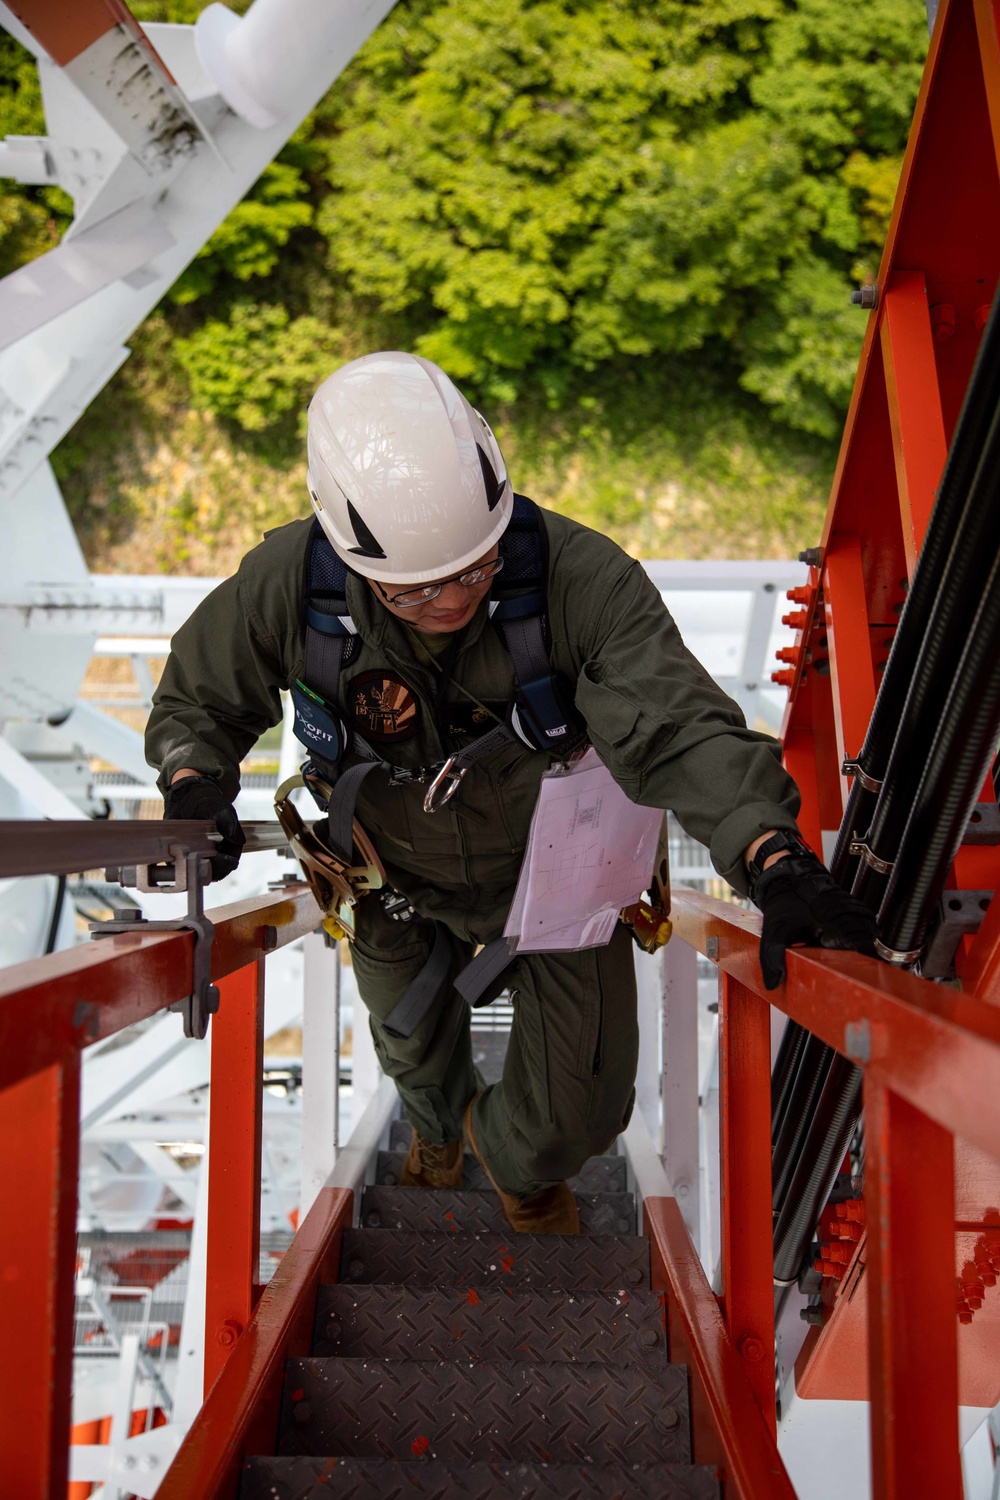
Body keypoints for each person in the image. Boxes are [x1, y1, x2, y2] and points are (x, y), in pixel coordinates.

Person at [146, 351, 876, 1235]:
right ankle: (438, 1139)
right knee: (411, 1041)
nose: (453, 597)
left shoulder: (579, 581)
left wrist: (772, 857)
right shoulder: (294, 586)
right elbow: (202, 697)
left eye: (475, 570)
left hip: (558, 876)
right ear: (349, 549)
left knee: (585, 1109)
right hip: (392, 879)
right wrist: (194, 785)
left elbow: (676, 725)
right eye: (417, 590)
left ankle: (514, 1161)